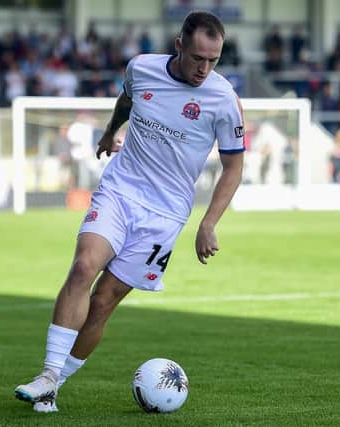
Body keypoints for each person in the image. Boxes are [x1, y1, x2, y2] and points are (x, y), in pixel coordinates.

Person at [15, 11, 245, 414]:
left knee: (103, 301)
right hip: (121, 191)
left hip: (166, 215)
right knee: (84, 267)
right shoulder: (141, 68)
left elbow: (234, 166)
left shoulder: (224, 100)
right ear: (179, 45)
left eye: (213, 60)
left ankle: (55, 386)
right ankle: (47, 374)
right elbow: (127, 98)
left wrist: (208, 223)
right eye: (197, 58)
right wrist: (110, 131)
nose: (204, 69)